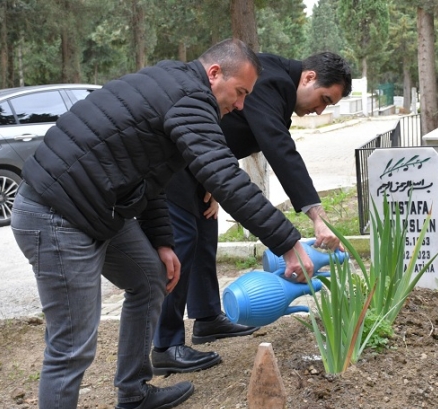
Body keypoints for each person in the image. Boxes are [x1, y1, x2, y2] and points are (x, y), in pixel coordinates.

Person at [10, 38, 315, 409]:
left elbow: (148, 174)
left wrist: (162, 242)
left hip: (95, 207)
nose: (241, 105)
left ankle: (134, 395)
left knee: (150, 276)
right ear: (214, 73)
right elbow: (223, 176)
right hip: (55, 214)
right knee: (71, 346)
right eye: (240, 93)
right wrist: (288, 243)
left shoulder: (174, 85)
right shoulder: (191, 98)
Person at [151, 52, 352, 376]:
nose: (319, 109)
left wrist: (211, 180)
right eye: (323, 99)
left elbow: (228, 132)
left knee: (204, 236)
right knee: (182, 244)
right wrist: (317, 216)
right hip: (177, 161)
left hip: (200, 167)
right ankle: (165, 346)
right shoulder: (270, 82)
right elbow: (280, 149)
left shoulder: (280, 85)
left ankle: (207, 319)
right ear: (309, 77)